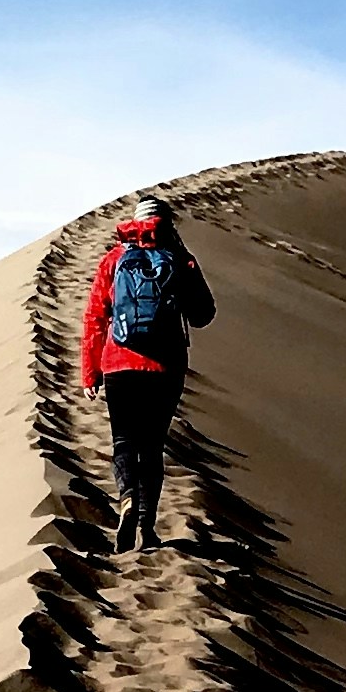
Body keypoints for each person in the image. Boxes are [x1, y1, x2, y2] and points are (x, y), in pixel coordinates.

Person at [79, 192, 216, 550]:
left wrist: (89, 372)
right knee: (152, 446)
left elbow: (95, 317)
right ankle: (147, 527)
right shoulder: (180, 260)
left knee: (124, 441)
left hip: (119, 365)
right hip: (164, 368)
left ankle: (126, 498)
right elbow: (204, 315)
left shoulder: (114, 260)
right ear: (167, 224)